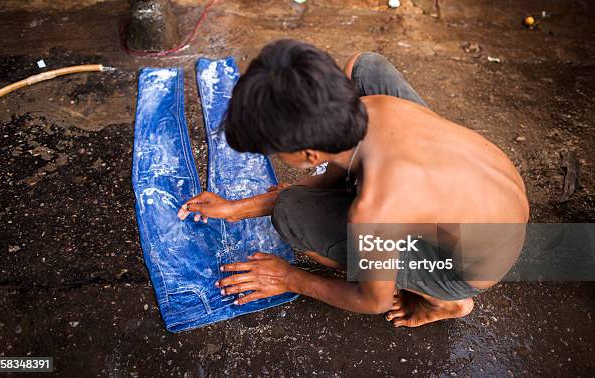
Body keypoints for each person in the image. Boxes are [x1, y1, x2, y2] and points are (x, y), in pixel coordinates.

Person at [177, 39, 529, 327]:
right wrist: (237, 209)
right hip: (497, 200)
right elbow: (336, 165)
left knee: (291, 212)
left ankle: (445, 301)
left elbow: (372, 300)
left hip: (468, 267)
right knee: (366, 66)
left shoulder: (374, 210)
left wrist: (289, 278)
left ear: (310, 154)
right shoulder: (375, 104)